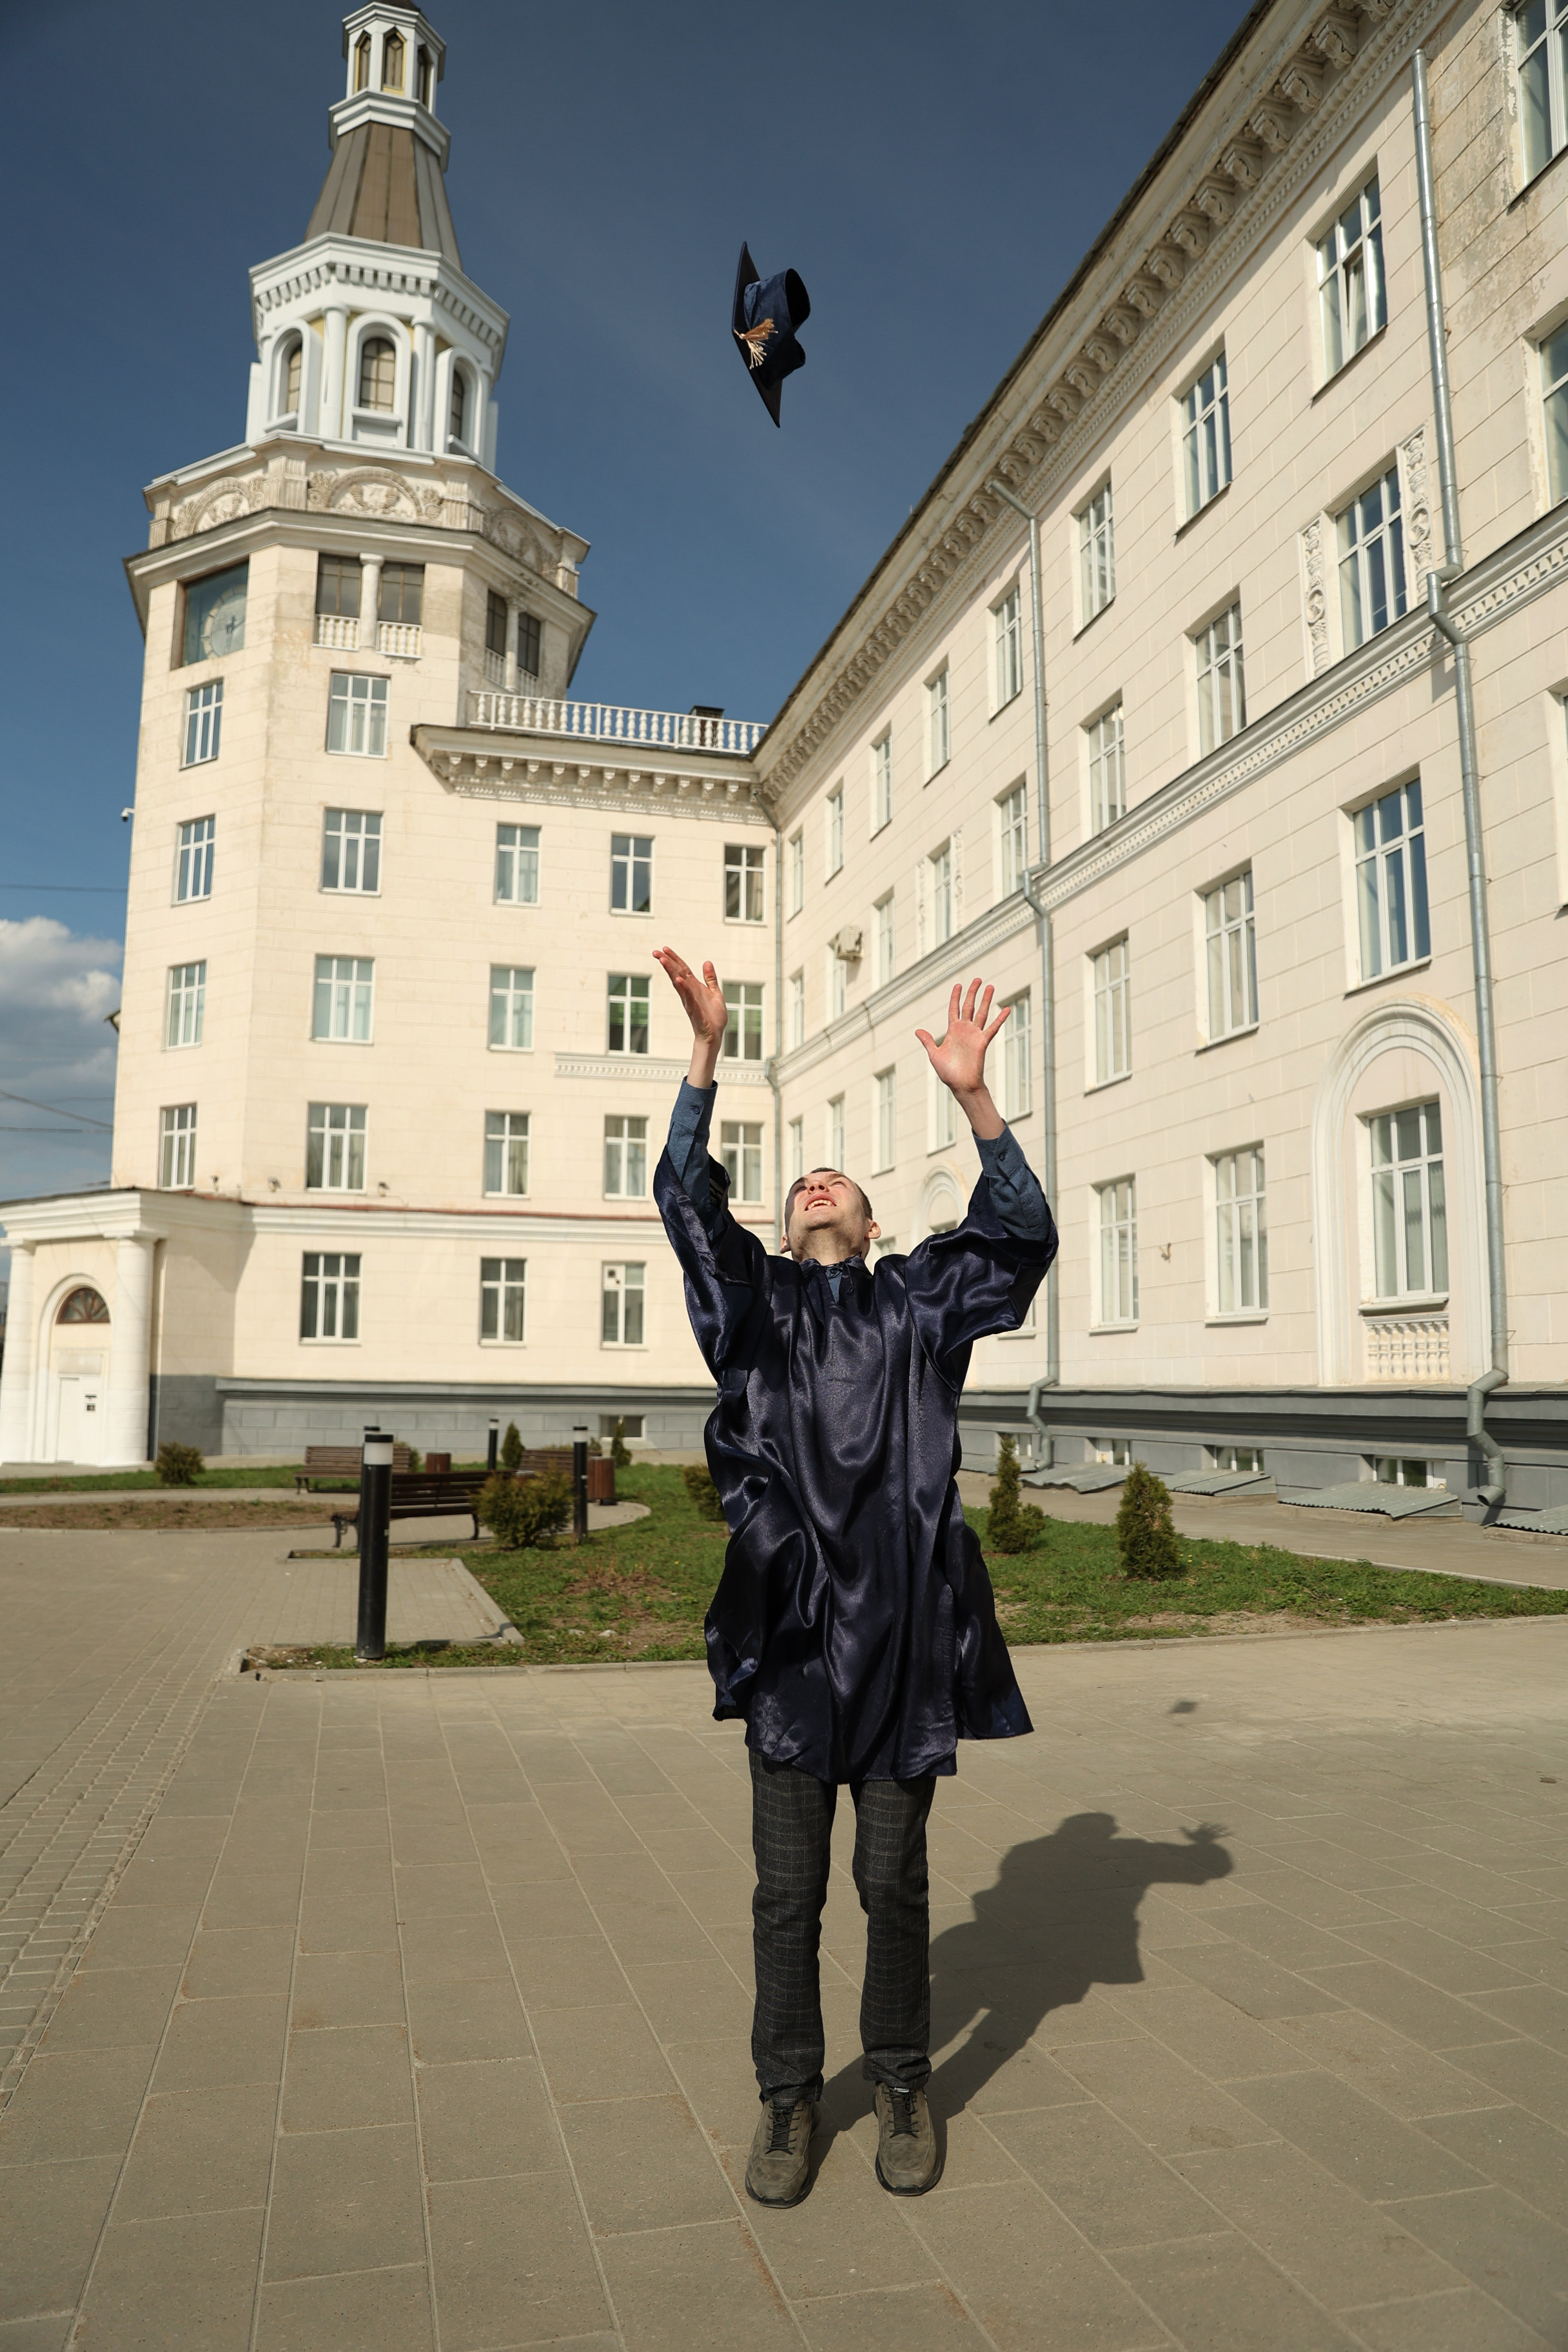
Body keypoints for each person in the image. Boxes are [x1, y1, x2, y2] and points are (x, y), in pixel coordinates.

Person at [652, 947, 1056, 2207]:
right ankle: (787, 2098)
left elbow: (1021, 1237)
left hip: (900, 1645)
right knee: (786, 1895)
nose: (813, 1183)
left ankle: (899, 2082)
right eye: (798, 1186)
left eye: (836, 1181)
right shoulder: (755, 1306)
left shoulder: (915, 1304)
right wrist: (705, 1058)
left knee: (892, 1885)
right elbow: (684, 1205)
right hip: (789, 1640)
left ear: (875, 1225)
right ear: (785, 1229)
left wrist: (974, 1096)